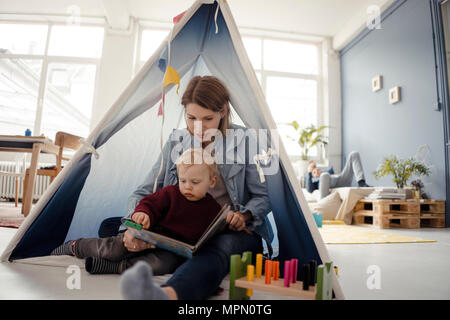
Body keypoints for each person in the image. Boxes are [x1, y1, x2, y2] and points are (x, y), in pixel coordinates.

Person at [109, 75, 273, 300]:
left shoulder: (245, 139)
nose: (198, 127)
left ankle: (170, 293)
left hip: (229, 232)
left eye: (207, 119)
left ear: (223, 112)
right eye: (191, 117)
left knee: (217, 248)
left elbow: (264, 196)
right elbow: (144, 192)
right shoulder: (176, 141)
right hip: (185, 230)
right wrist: (133, 225)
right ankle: (167, 252)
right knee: (111, 225)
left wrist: (243, 215)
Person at [51, 148, 222, 275]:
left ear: (212, 182)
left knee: (161, 266)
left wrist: (231, 223)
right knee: (113, 249)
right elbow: (149, 203)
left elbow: (217, 230)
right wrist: (143, 213)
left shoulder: (213, 209)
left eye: (195, 182)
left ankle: (115, 267)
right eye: (183, 180)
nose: (187, 186)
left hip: (169, 251)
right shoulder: (171, 193)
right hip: (148, 234)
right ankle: (76, 246)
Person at [305, 151, 371, 200]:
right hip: (327, 183)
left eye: (318, 169)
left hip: (340, 180)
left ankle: (361, 182)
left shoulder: (328, 172)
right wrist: (309, 172)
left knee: (354, 154)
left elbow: (331, 174)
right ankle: (324, 202)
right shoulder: (316, 182)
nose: (317, 171)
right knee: (324, 175)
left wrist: (320, 171)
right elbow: (310, 189)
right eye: (314, 172)